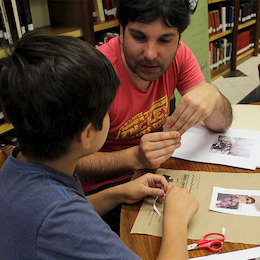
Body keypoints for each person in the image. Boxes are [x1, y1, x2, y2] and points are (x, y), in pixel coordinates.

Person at [0, 33, 198, 259]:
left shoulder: (19, 162)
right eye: (107, 112)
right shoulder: (63, 218)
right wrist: (176, 219)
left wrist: (118, 193)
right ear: (86, 134)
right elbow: (65, 218)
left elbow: (65, 209)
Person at [77, 0, 233, 196]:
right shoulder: (94, 73)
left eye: (165, 40)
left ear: (179, 39)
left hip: (156, 173)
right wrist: (135, 157)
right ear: (121, 31)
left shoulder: (180, 55)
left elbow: (222, 124)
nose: (150, 54)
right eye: (139, 37)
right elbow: (73, 163)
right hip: (104, 191)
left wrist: (213, 95)